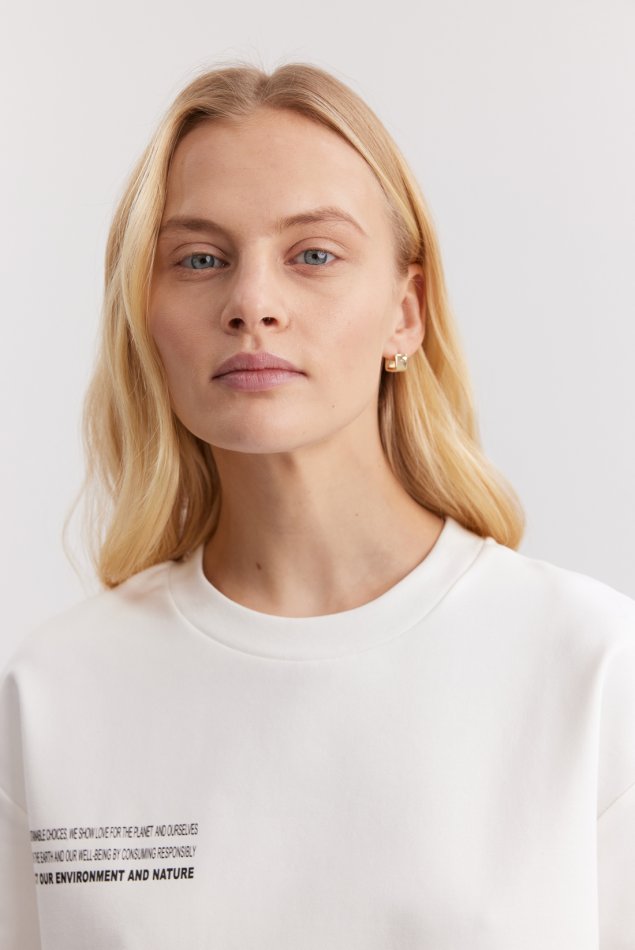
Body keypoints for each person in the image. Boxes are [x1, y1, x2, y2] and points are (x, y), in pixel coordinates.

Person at [1, 60, 634, 950]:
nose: (251, 304)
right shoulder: (53, 695)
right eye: (200, 259)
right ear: (143, 312)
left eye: (313, 255)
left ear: (405, 312)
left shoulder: (592, 668)